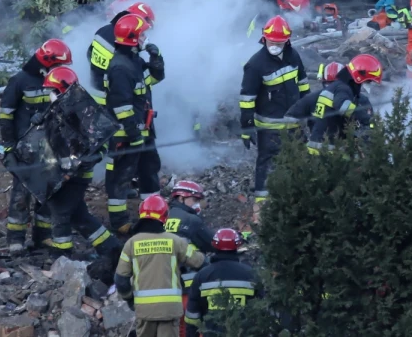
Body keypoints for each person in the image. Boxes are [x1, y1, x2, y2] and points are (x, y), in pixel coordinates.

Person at [32, 66, 120, 260]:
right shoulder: (55, 110)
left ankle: (62, 254)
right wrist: (38, 121)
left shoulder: (86, 111)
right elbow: (48, 140)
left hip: (78, 175)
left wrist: (94, 157)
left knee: (61, 212)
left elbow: (106, 140)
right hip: (59, 172)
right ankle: (111, 247)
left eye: (53, 91)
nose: (50, 96)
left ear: (64, 90)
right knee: (79, 215)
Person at [0, 38, 73, 253]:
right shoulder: (20, 81)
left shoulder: (55, 80)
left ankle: (43, 237)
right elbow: (5, 116)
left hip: (49, 147)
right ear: (47, 61)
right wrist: (8, 147)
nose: (61, 69)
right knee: (21, 195)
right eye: (58, 65)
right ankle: (16, 240)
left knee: (48, 192)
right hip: (24, 149)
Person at [239, 15, 310, 220]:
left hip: (294, 125)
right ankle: (261, 212)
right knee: (266, 166)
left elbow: (304, 85)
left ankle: (297, 204)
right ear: (264, 39)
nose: (275, 46)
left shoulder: (293, 55)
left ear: (287, 40)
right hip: (269, 129)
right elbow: (247, 99)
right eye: (272, 42)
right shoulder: (256, 64)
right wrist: (247, 127)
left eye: (279, 43)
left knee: (297, 162)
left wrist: (309, 111)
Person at [115, 195, 206, 337]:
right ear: (164, 216)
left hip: (144, 310)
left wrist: (130, 299)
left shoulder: (131, 244)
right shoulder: (175, 241)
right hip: (170, 310)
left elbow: (121, 280)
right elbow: (199, 262)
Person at [105, 13, 152, 233]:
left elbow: (146, 86)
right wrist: (133, 133)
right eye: (142, 35)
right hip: (122, 135)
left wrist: (157, 63)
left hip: (134, 130)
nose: (145, 38)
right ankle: (119, 223)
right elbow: (121, 105)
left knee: (127, 174)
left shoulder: (132, 60)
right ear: (132, 38)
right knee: (119, 177)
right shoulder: (121, 67)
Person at [295, 54, 381, 155]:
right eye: (328, 84)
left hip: (349, 150)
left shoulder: (361, 100)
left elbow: (369, 125)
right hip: (326, 152)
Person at [184, 228, 259, 335]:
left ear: (214, 245)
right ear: (237, 246)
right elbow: (262, 310)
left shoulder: (202, 276)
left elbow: (192, 316)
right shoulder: (251, 274)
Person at [88, 0, 155, 107]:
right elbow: (128, 78)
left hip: (95, 96)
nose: (145, 35)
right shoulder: (125, 46)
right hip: (113, 103)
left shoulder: (102, 31)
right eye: (143, 31)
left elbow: (89, 55)